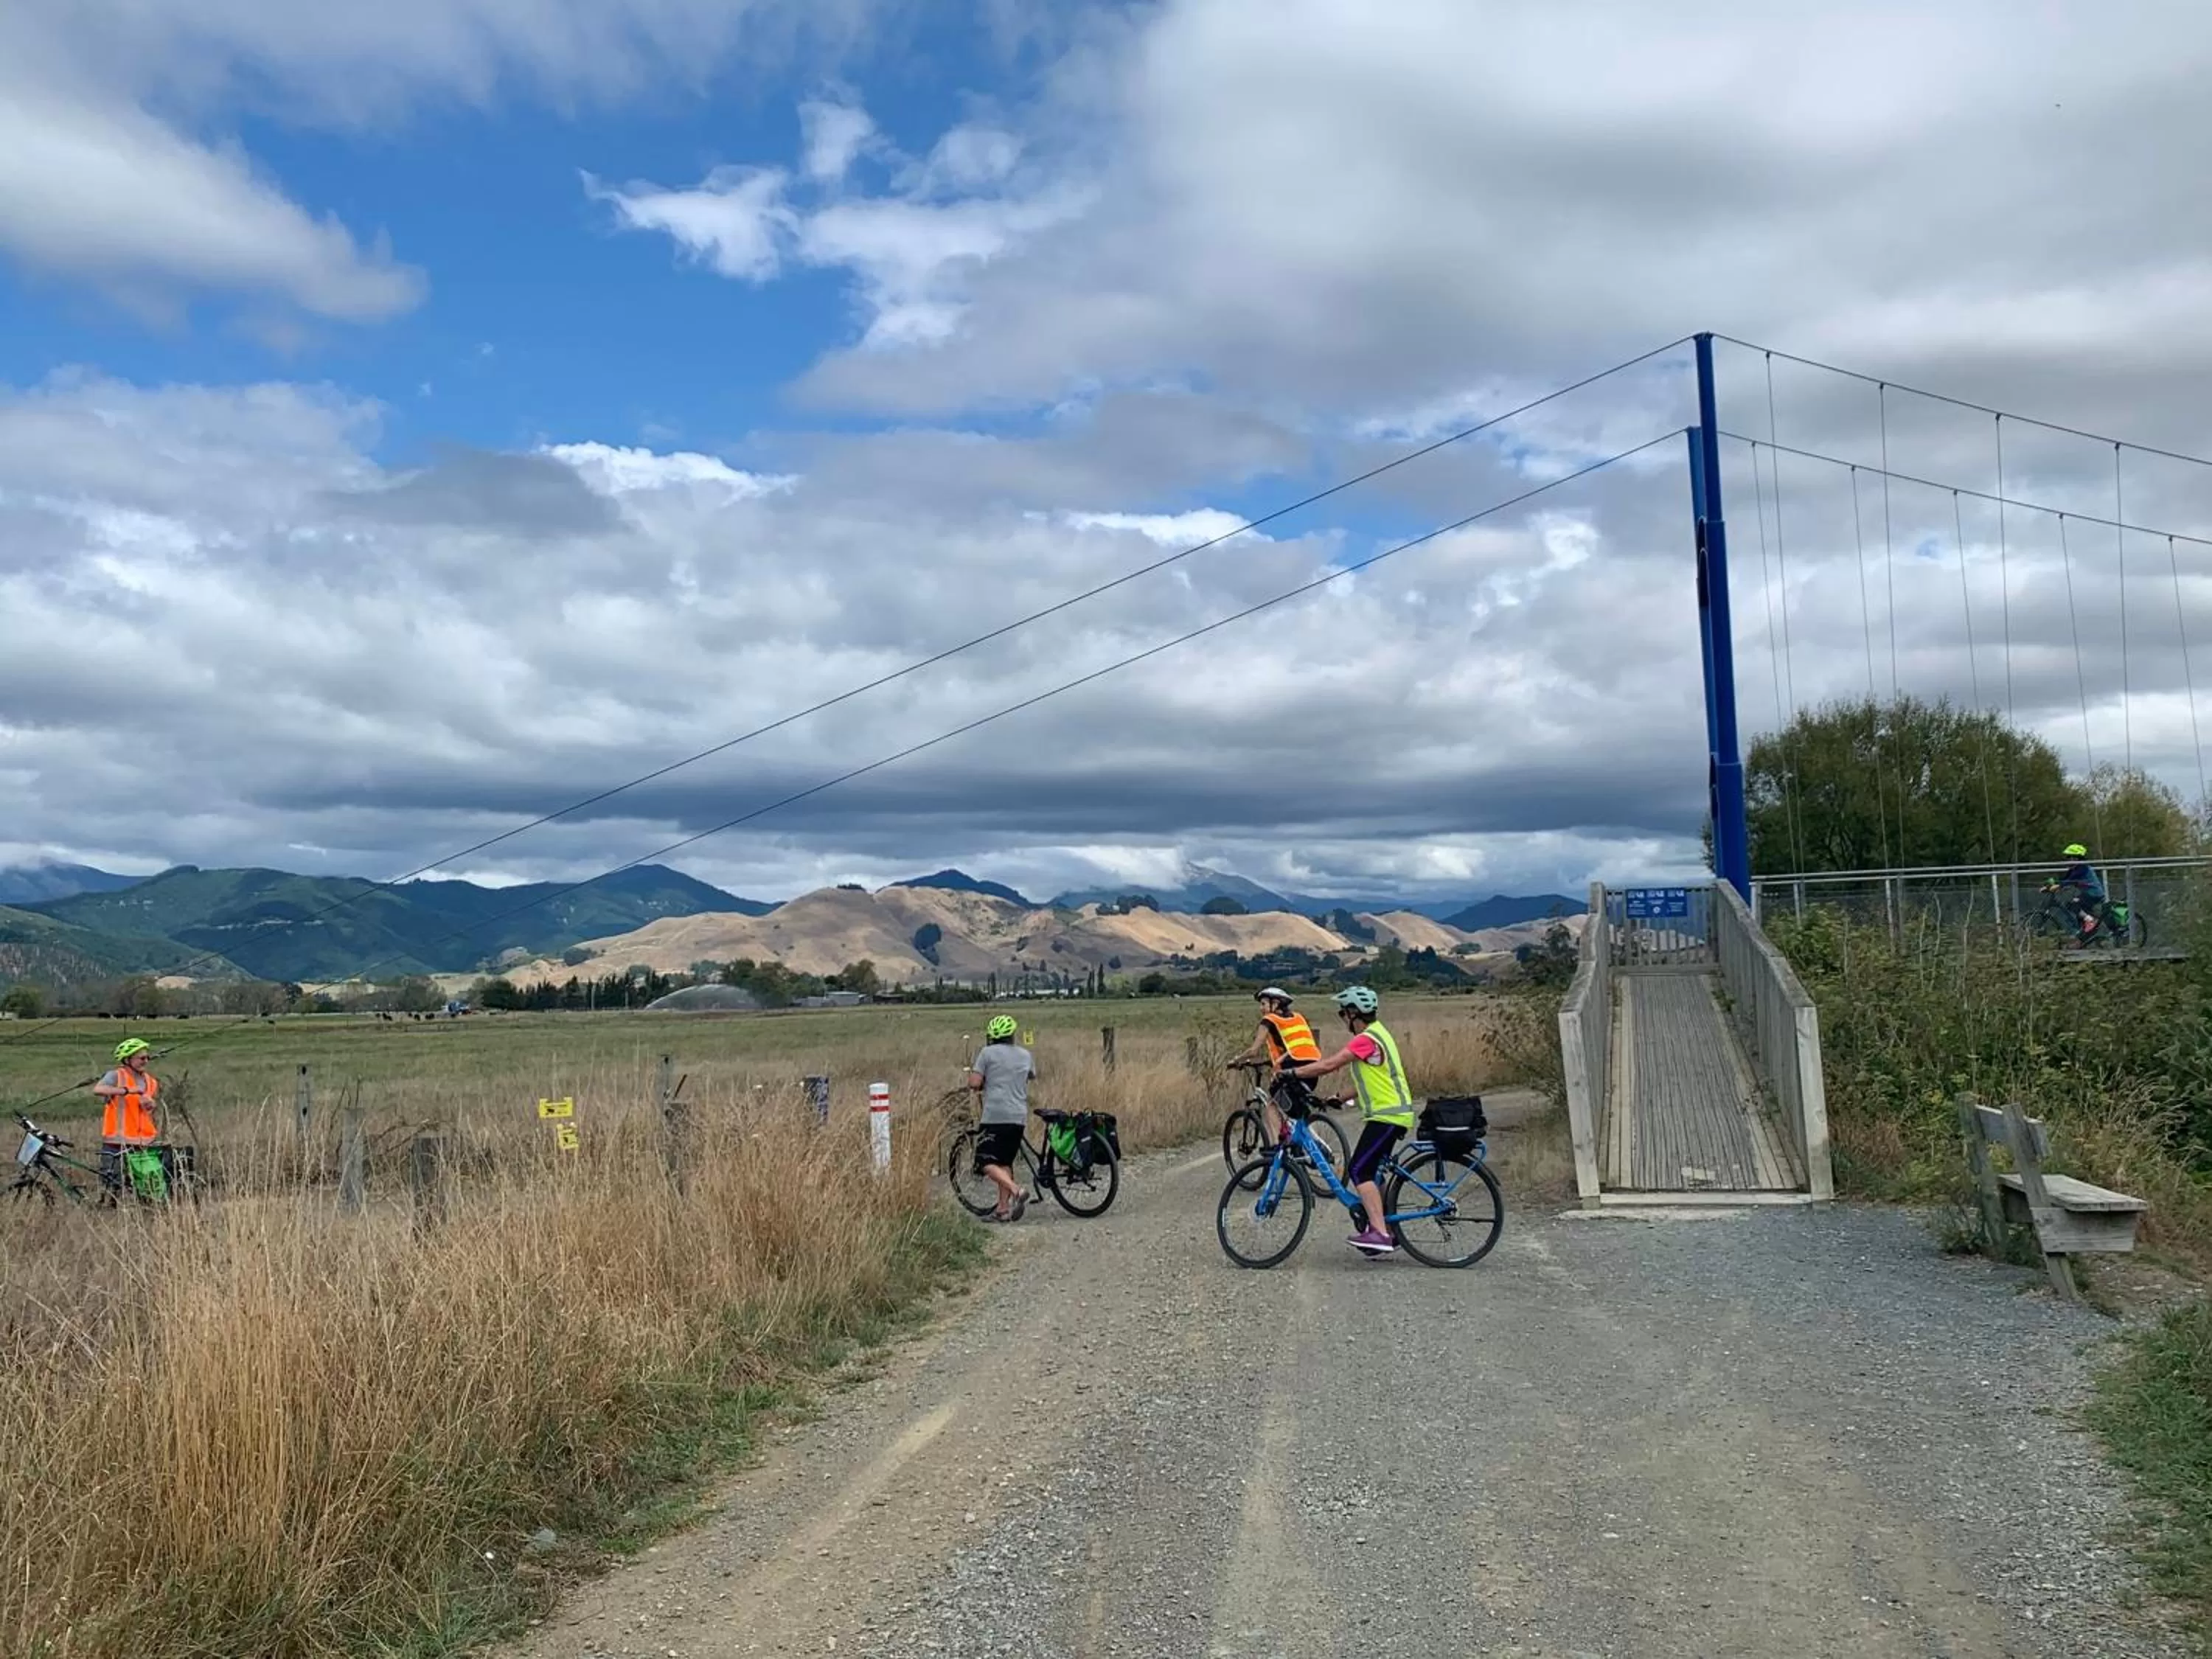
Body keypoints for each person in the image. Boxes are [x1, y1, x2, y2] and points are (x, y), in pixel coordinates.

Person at [1279, 986, 1414, 1257]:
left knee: (1359, 1170)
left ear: (1354, 1013)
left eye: (1343, 1013)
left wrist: (1292, 1073)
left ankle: (1379, 1233)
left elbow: (1329, 1065)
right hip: (1393, 1114)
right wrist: (1337, 1098)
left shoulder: (1366, 1039)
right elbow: (1371, 1081)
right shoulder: (1380, 1034)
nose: (1342, 1018)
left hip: (1387, 1116)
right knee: (1374, 1172)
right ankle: (1388, 1229)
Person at [1226, 987, 1324, 1141]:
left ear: (1276, 1004)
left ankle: (1281, 1145)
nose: (1261, 1008)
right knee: (1298, 1111)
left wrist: (1236, 1061)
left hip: (1293, 1068)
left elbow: (1253, 1051)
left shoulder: (1269, 1020)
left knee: (1272, 1105)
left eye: (1264, 1004)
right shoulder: (1298, 1017)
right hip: (1314, 1068)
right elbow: (1295, 1046)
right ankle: (1316, 1144)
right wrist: (1273, 1062)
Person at [967, 1014, 1036, 1224]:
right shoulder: (1025, 1054)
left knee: (985, 1161)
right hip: (1018, 1116)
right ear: (1012, 1035)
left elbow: (974, 1083)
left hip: (995, 1115)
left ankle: (1017, 1190)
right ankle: (1003, 1210)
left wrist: (983, 1079)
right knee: (1004, 1162)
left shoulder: (986, 1053)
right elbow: (1031, 1076)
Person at [90, 1037, 163, 1197]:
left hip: (143, 1142)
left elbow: (149, 1109)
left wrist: (151, 1104)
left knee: (146, 1185)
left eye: (147, 1057)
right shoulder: (116, 1076)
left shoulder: (151, 1081)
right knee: (112, 1184)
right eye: (141, 1058)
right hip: (116, 1141)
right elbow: (98, 1090)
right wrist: (126, 1091)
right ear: (128, 1059)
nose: (146, 1061)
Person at [2051, 842, 2108, 939]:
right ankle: (2084, 933)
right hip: (2087, 893)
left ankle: (2090, 921)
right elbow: (2065, 879)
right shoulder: (2074, 869)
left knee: (2074, 904)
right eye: (2068, 857)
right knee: (2073, 908)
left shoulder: (2083, 868)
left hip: (2093, 894)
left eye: (2072, 857)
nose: (2069, 860)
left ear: (2078, 858)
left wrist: (2059, 886)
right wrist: (2051, 885)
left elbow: (2070, 880)